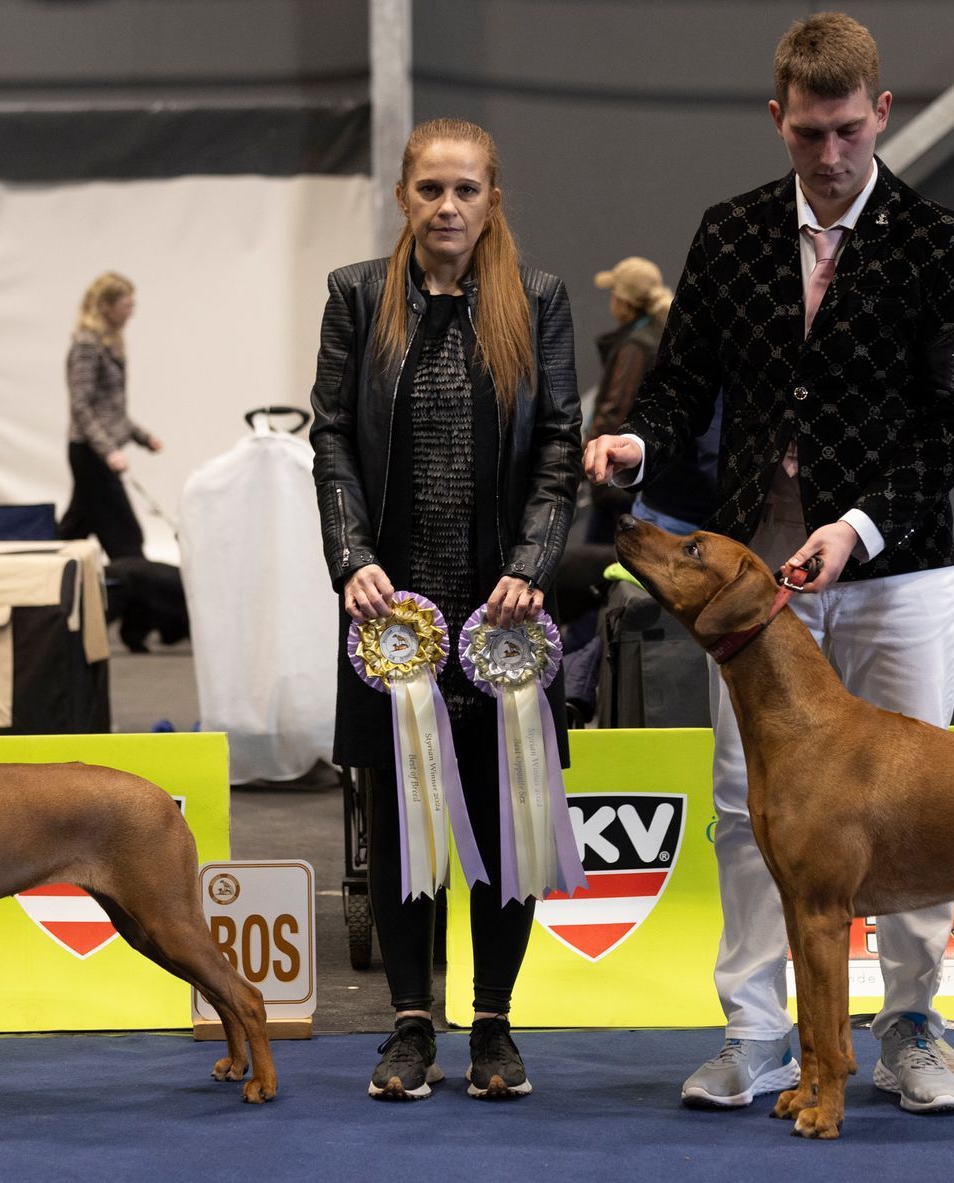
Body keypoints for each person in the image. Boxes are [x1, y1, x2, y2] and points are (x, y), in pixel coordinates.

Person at [584, 12, 954, 1114]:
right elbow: (681, 385)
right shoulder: (729, 233)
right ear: (778, 118)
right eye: (809, 133)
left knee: (919, 810)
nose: (830, 154)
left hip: (898, 566)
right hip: (756, 581)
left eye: (848, 131)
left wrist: (858, 525)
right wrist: (638, 444)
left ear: (882, 113)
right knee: (743, 804)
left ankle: (909, 1027)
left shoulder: (945, 242)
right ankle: (757, 1030)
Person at [310, 117, 580, 1101]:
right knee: (397, 817)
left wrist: (533, 564)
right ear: (403, 197)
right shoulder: (354, 295)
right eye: (430, 189)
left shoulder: (540, 299)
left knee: (506, 817)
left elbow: (559, 442)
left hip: (502, 612)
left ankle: (495, 1025)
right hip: (395, 614)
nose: (448, 206)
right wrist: (352, 558)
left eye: (466, 189)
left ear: (493, 199)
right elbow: (331, 436)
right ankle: (410, 1024)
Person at [58, 271, 162, 561]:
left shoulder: (106, 345)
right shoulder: (86, 346)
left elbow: (112, 411)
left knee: (72, 530)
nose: (131, 312)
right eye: (126, 306)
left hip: (97, 454)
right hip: (91, 454)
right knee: (126, 538)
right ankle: (136, 586)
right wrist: (108, 451)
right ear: (106, 306)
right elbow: (81, 406)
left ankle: (40, 573)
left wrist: (143, 437)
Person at [580, 256, 672, 543]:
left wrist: (586, 458)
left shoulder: (635, 347)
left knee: (601, 555)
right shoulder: (661, 334)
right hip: (645, 478)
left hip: (616, 475)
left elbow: (614, 410)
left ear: (623, 302)